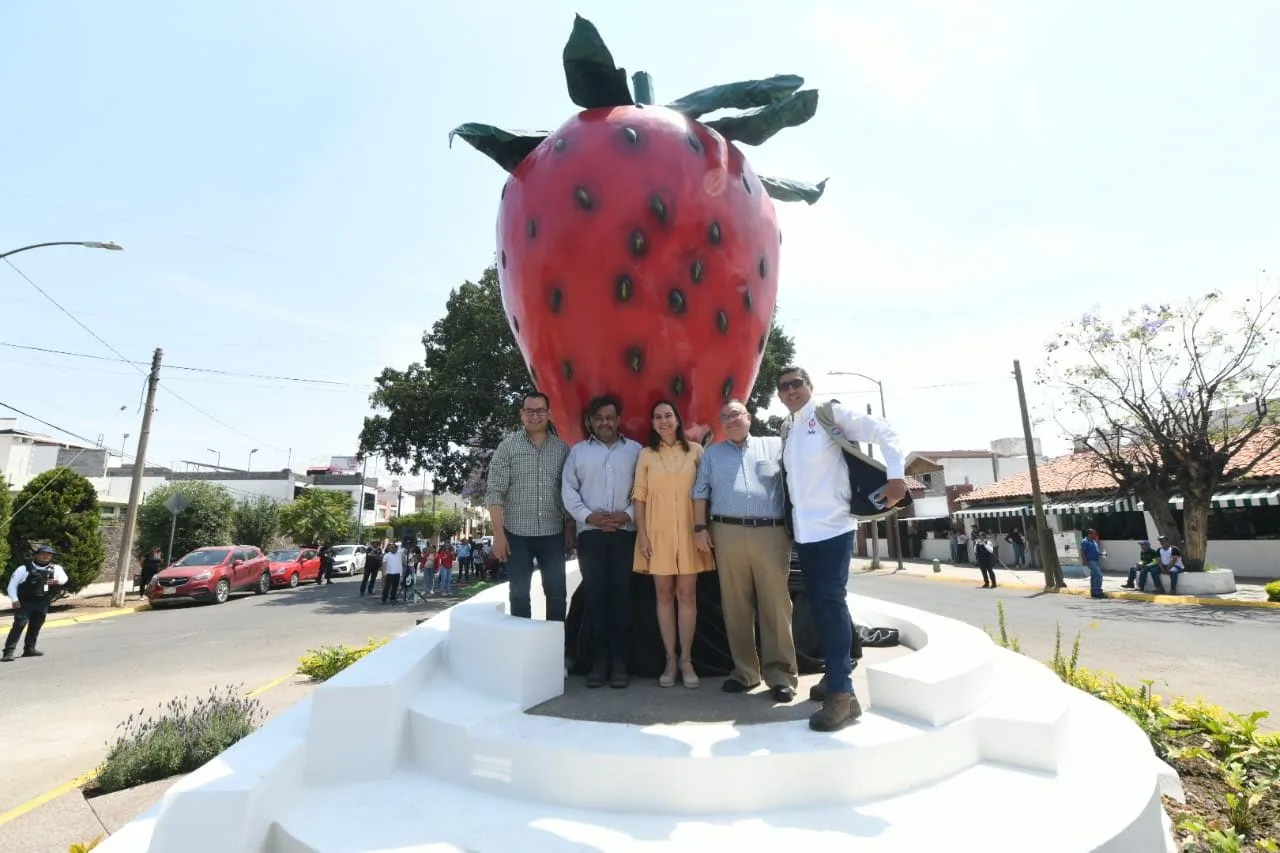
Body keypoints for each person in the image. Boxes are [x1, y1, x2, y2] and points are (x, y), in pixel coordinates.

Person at [776, 366, 906, 732]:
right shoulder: (788, 429)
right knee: (821, 607)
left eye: (796, 383)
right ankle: (837, 677)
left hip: (834, 528)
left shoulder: (827, 414)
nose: (791, 390)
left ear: (809, 386)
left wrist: (896, 476)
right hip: (805, 531)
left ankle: (842, 697)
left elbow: (883, 429)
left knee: (830, 604)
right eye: (784, 386)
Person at [693, 399, 798, 702]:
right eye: (724, 416)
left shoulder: (773, 446)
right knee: (735, 605)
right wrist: (700, 529)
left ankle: (780, 676)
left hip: (771, 532)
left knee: (776, 606)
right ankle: (745, 672)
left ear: (749, 417)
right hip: (725, 532)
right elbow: (700, 493)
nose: (730, 420)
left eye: (735, 414)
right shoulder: (712, 455)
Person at [562, 394, 643, 689]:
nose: (604, 422)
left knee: (621, 599)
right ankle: (598, 663)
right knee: (595, 600)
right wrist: (589, 517)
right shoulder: (578, 453)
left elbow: (645, 490)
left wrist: (627, 515)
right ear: (590, 421)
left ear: (618, 419)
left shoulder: (636, 451)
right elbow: (568, 491)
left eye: (609, 417)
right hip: (591, 536)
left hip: (625, 535)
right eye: (599, 418)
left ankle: (620, 663)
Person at [633, 400, 713, 689]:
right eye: (657, 417)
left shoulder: (696, 451)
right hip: (657, 534)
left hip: (691, 534)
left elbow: (705, 492)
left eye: (668, 415)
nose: (663, 421)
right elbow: (639, 498)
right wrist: (642, 536)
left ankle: (687, 660)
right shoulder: (646, 455)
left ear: (678, 420)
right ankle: (669, 658)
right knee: (664, 595)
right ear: (652, 423)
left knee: (687, 595)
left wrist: (703, 528)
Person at [486, 391, 572, 622]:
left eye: (541, 411)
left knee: (557, 595)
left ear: (549, 414)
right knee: (519, 595)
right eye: (530, 411)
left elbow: (569, 492)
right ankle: (523, 650)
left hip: (553, 533)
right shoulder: (507, 447)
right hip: (516, 535)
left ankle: (555, 651)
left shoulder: (562, 449)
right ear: (522, 414)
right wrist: (498, 535)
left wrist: (570, 529)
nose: (535, 416)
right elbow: (495, 493)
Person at [4, 545, 68, 662]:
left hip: (42, 602)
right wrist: (14, 600)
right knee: (19, 625)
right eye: (43, 554)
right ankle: (8, 652)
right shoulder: (23, 569)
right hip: (25, 603)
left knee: (35, 626)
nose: (46, 556)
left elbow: (64, 579)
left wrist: (56, 581)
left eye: (49, 554)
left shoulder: (55, 568)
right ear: (36, 555)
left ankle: (29, 649)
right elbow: (12, 585)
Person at [1080, 529, 1105, 599]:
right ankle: (1098, 591)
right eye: (1094, 533)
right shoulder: (1085, 541)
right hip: (1090, 561)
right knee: (1099, 575)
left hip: (1096, 560)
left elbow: (1095, 551)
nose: (1095, 535)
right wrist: (1084, 561)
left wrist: (1101, 554)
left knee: (1094, 576)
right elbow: (1082, 551)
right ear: (1089, 534)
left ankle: (1094, 592)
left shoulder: (1093, 541)